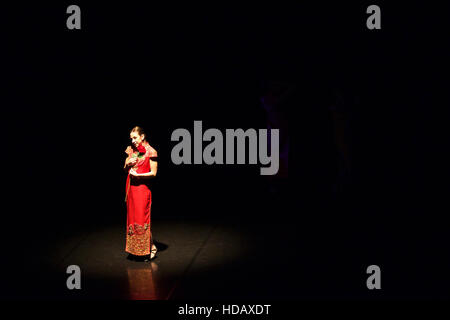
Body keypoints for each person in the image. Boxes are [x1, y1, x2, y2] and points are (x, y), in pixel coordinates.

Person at [124, 126, 158, 261]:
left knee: (142, 219)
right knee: (132, 218)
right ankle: (135, 250)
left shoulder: (152, 152)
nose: (132, 140)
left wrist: (139, 175)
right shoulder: (132, 150)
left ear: (142, 137)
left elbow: (154, 173)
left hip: (143, 189)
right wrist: (128, 164)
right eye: (131, 138)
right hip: (131, 187)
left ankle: (151, 247)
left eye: (135, 138)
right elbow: (124, 167)